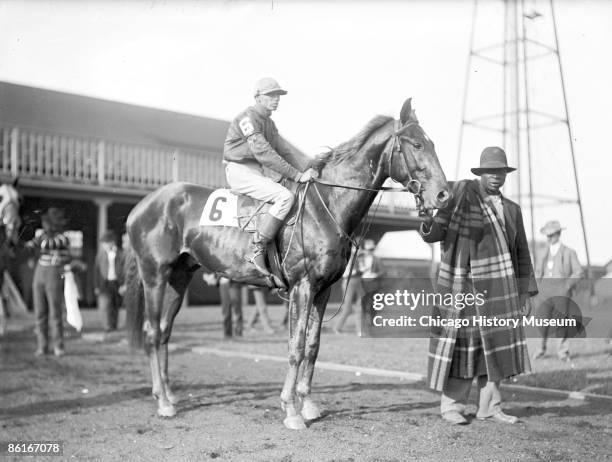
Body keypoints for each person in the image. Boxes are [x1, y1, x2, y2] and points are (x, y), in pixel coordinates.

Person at [419, 146, 538, 425]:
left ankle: (490, 407)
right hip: (465, 287)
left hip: (500, 291)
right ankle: (452, 407)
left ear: (505, 174)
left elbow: (521, 253)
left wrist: (526, 293)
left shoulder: (512, 210)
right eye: (490, 171)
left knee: (494, 350)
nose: (495, 176)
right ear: (481, 173)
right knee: (463, 346)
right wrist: (426, 221)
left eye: (500, 171)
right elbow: (436, 232)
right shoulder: (461, 196)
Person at [223, 77, 319, 276]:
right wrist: (297, 175)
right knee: (285, 197)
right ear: (257, 97)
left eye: (278, 95)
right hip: (240, 171)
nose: (276, 99)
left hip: (256, 172)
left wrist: (310, 170)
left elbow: (286, 151)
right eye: (271, 95)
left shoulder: (270, 123)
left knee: (291, 191)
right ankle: (257, 248)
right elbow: (264, 153)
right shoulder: (247, 118)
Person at [532, 221, 583, 361]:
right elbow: (537, 273)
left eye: (551, 235)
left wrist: (567, 285)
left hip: (561, 292)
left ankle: (563, 353)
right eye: (547, 235)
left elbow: (579, 272)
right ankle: (540, 350)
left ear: (558, 234)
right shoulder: (542, 252)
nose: (549, 238)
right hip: (544, 292)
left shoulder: (569, 252)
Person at [26, 207, 72, 357]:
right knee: (40, 312)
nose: (45, 226)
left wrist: (38, 240)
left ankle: (58, 346)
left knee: (55, 312)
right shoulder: (42, 236)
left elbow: (48, 244)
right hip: (40, 272)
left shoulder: (63, 237)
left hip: (53, 273)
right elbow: (30, 246)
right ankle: (42, 346)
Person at [94, 230, 125, 333]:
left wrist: (123, 284)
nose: (104, 245)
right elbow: (96, 271)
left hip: (116, 283)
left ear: (112, 242)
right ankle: (107, 326)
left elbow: (125, 270)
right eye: (103, 243)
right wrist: (96, 286)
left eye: (105, 243)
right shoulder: (100, 255)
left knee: (115, 305)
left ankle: (113, 325)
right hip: (104, 283)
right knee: (105, 305)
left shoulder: (121, 254)